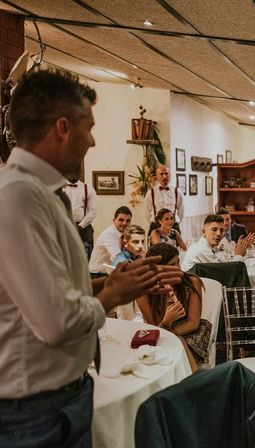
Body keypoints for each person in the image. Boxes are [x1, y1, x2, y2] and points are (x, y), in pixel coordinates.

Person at [0, 69, 182, 447]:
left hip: (56, 400)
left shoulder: (42, 194)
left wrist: (117, 281)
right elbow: (58, 322)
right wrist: (114, 295)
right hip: (32, 411)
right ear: (63, 127)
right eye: (89, 127)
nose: (93, 140)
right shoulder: (19, 197)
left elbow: (58, 290)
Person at [138, 243, 212, 373]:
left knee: (178, 342)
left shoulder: (192, 282)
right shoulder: (143, 291)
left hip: (191, 334)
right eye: (172, 265)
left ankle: (190, 383)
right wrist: (167, 321)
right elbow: (154, 328)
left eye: (178, 262)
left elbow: (193, 323)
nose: (178, 268)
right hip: (160, 332)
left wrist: (170, 332)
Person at [181, 214, 253, 272]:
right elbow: (226, 273)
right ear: (204, 232)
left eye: (221, 230)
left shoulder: (205, 246)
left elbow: (221, 265)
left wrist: (240, 249)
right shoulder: (202, 250)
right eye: (214, 230)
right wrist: (239, 255)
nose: (218, 234)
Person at [62, 174, 97, 258]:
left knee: (85, 255)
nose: (73, 175)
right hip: (64, 226)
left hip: (83, 228)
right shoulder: (60, 188)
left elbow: (92, 211)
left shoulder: (88, 188)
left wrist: (80, 226)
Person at [145, 164, 184, 234]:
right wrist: (156, 222)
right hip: (156, 226)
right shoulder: (151, 192)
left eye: (166, 173)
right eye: (161, 174)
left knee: (176, 245)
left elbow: (181, 211)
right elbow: (147, 212)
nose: (164, 176)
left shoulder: (178, 192)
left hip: (173, 226)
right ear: (157, 176)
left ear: (170, 175)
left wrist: (172, 222)